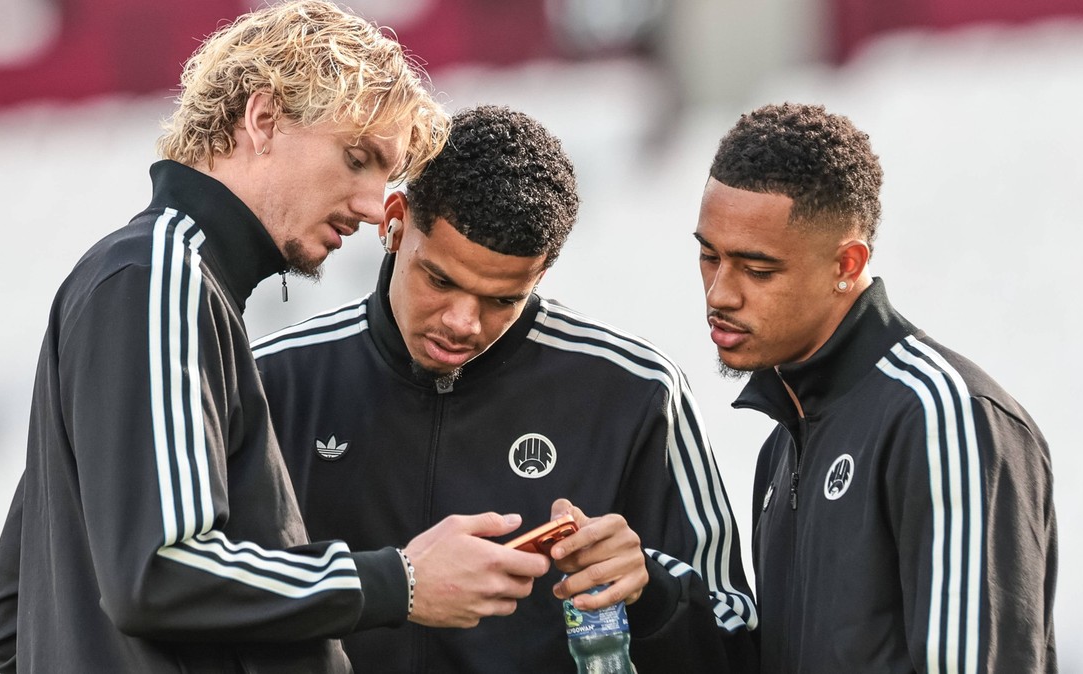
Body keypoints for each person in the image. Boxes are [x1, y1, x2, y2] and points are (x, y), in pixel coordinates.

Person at [0, 4, 555, 673]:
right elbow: (159, 570)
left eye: (385, 178)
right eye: (357, 158)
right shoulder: (159, 277)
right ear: (263, 119)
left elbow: (9, 621)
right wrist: (400, 581)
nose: (374, 208)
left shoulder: (165, 285)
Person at [253, 104, 759, 673]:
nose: (462, 322)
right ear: (393, 221)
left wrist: (654, 591)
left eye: (501, 299)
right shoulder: (273, 380)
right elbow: (206, 601)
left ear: (540, 274)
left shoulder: (636, 392)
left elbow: (737, 639)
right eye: (440, 280)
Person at [694, 102, 1058, 673]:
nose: (719, 293)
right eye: (708, 256)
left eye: (757, 270)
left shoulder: (943, 417)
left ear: (848, 263)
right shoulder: (784, 442)